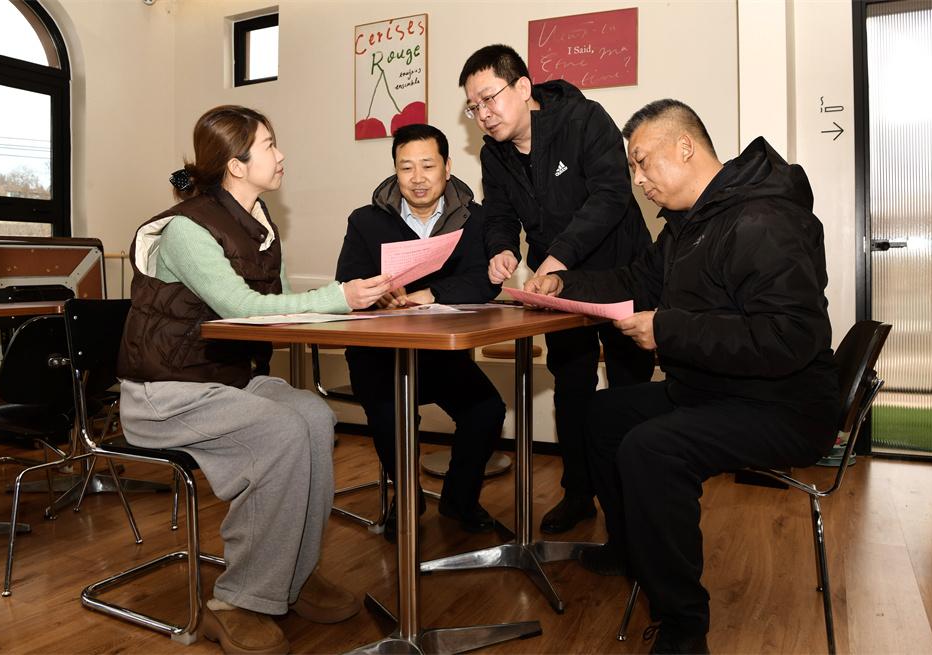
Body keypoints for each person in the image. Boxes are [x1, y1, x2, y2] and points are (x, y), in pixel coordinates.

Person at [525, 99, 840, 654]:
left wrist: (668, 331)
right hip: (718, 389)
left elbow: (791, 337)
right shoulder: (685, 227)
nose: (638, 180)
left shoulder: (762, 220)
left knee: (652, 450)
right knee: (601, 416)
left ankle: (684, 627)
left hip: (784, 404)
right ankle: (631, 550)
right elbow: (635, 282)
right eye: (632, 168)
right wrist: (562, 284)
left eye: (643, 162)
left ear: (686, 147)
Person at [117, 105, 391, 655]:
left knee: (314, 415)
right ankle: (236, 601)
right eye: (269, 145)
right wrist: (341, 296)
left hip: (223, 381)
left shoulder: (260, 225)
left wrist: (360, 302)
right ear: (236, 165)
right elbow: (242, 309)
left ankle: (293, 573)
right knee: (280, 431)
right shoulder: (187, 230)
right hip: (163, 393)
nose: (281, 154)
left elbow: (278, 311)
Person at [458, 44, 655, 534]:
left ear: (523, 87)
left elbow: (610, 195)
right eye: (473, 107)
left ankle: (636, 504)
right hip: (558, 286)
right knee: (571, 390)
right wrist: (502, 249)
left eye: (489, 99)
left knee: (629, 391)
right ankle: (579, 494)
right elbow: (499, 214)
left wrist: (558, 258)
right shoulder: (494, 153)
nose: (483, 114)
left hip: (622, 274)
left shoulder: (584, 119)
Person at [335, 123, 505, 543]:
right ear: (395, 171)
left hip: (439, 353)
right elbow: (347, 282)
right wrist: (378, 294)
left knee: (487, 411)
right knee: (391, 414)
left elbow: (484, 281)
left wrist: (429, 294)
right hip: (379, 354)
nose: (417, 177)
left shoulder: (474, 219)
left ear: (447, 166)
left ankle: (459, 499)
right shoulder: (365, 221)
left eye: (428, 165)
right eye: (406, 167)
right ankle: (407, 497)